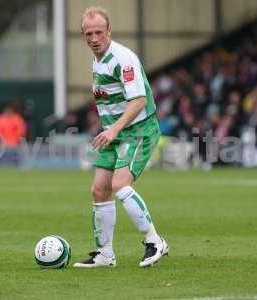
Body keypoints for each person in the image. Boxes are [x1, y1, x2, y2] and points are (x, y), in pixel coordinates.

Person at [74, 6, 168, 268]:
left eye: (99, 32)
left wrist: (114, 129)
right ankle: (105, 254)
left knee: (120, 184)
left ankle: (155, 241)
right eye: (88, 33)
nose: (94, 38)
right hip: (114, 132)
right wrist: (110, 129)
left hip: (138, 129)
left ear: (109, 31)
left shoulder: (123, 58)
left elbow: (138, 100)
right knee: (99, 189)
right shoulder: (97, 60)